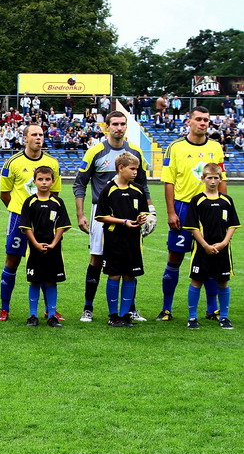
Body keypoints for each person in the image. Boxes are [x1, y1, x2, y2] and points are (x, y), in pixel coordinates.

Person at [73, 111, 154, 322]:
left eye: (123, 124)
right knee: (97, 258)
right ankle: (88, 308)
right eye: (115, 124)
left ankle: (130, 309)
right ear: (107, 126)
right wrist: (81, 214)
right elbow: (79, 183)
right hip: (102, 215)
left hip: (131, 215)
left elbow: (143, 185)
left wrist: (150, 211)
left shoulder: (135, 152)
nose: (119, 127)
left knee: (131, 259)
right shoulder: (95, 152)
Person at [158, 106, 226, 322]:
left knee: (211, 256)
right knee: (175, 256)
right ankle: (167, 308)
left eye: (206, 119)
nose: (203, 123)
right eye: (198, 119)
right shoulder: (175, 147)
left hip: (209, 210)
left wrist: (222, 209)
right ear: (189, 121)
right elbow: (169, 181)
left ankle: (212, 309)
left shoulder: (216, 147)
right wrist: (171, 212)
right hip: (183, 208)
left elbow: (221, 179)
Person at [0, 124, 62, 322]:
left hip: (44, 223)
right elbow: (4, 194)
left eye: (41, 134)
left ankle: (49, 310)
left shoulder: (52, 163)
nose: (38, 138)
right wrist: (23, 212)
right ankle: (4, 308)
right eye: (34, 134)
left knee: (45, 263)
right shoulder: (12, 162)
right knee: (12, 261)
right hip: (18, 219)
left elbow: (55, 193)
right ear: (25, 138)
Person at [94, 153, 149, 328]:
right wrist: (123, 222)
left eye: (137, 169)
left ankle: (125, 314)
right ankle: (113, 315)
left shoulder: (138, 190)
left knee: (130, 275)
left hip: (133, 239)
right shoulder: (108, 189)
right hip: (114, 238)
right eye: (132, 168)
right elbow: (100, 216)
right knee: (114, 274)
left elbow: (144, 211)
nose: (135, 172)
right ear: (121, 168)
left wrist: (141, 218)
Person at [183, 163, 238, 330]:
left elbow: (233, 225)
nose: (213, 181)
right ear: (203, 179)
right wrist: (205, 245)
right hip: (202, 249)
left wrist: (223, 243)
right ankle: (192, 317)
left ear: (220, 179)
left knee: (223, 281)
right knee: (196, 281)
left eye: (216, 178)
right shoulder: (197, 200)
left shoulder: (227, 200)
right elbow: (192, 227)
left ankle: (224, 317)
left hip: (222, 249)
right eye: (209, 178)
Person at [18, 166, 71, 328]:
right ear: (34, 181)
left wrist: (54, 243)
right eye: (40, 179)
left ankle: (52, 315)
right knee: (34, 281)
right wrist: (35, 243)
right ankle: (33, 315)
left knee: (51, 281)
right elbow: (26, 226)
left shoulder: (57, 202)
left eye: (47, 179)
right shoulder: (30, 202)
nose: (44, 182)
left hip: (53, 249)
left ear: (53, 181)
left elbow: (62, 225)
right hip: (34, 248)